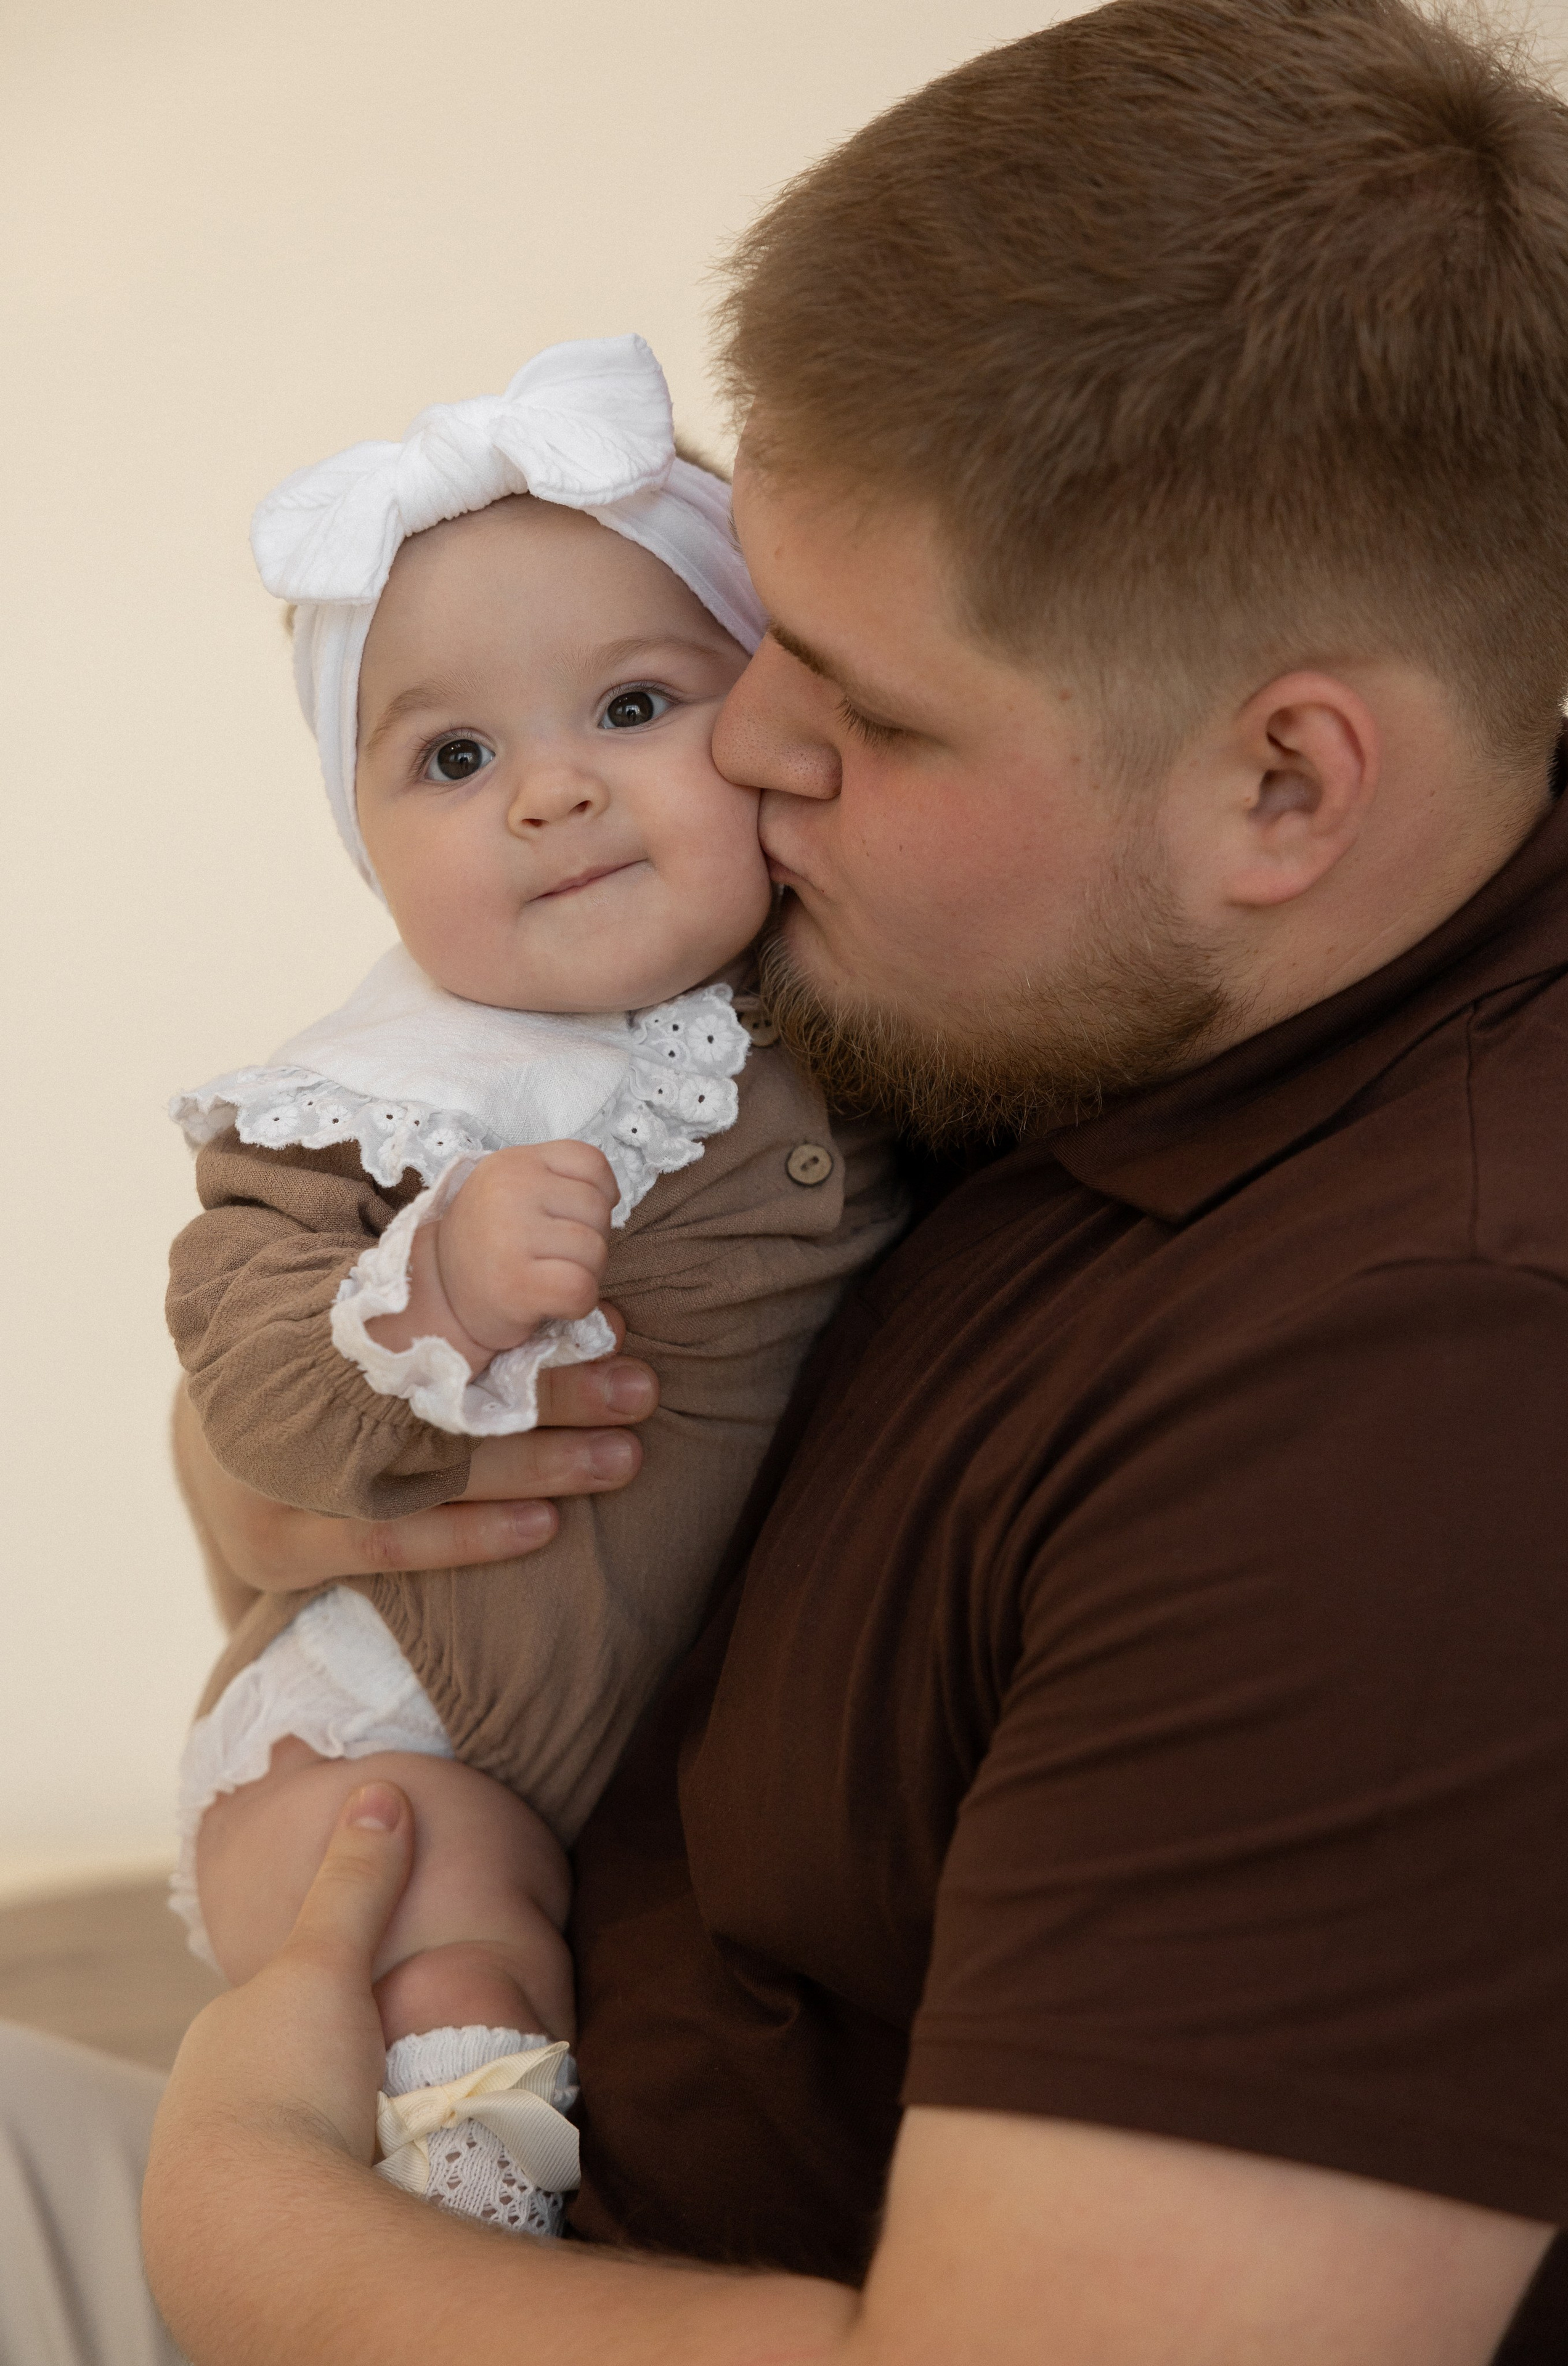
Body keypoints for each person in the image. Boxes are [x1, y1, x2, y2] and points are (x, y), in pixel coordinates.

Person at [6, 0, 1568, 2356]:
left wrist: (249, 2214)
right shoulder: (1058, 966)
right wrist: (330, 1462)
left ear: (1286, 788)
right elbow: (275, 1415)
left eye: (866, 702)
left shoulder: (1433, 1407)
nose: (738, 742)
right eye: (750, 630)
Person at [162, 336, 904, 2236]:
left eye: (637, 704)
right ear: (370, 844)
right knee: (452, 1918)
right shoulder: (378, 1106)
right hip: (380, 1720)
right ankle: (461, 2241)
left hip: (651, 1747)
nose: (550, 797)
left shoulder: (869, 1003)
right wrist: (439, 1290)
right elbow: (244, 1371)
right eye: (456, 757)